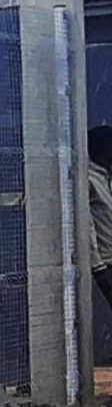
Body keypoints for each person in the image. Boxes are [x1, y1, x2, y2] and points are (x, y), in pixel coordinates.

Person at [89, 128, 112, 338]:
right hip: (105, 261)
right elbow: (85, 227)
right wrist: (98, 265)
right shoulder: (86, 179)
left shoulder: (106, 176)